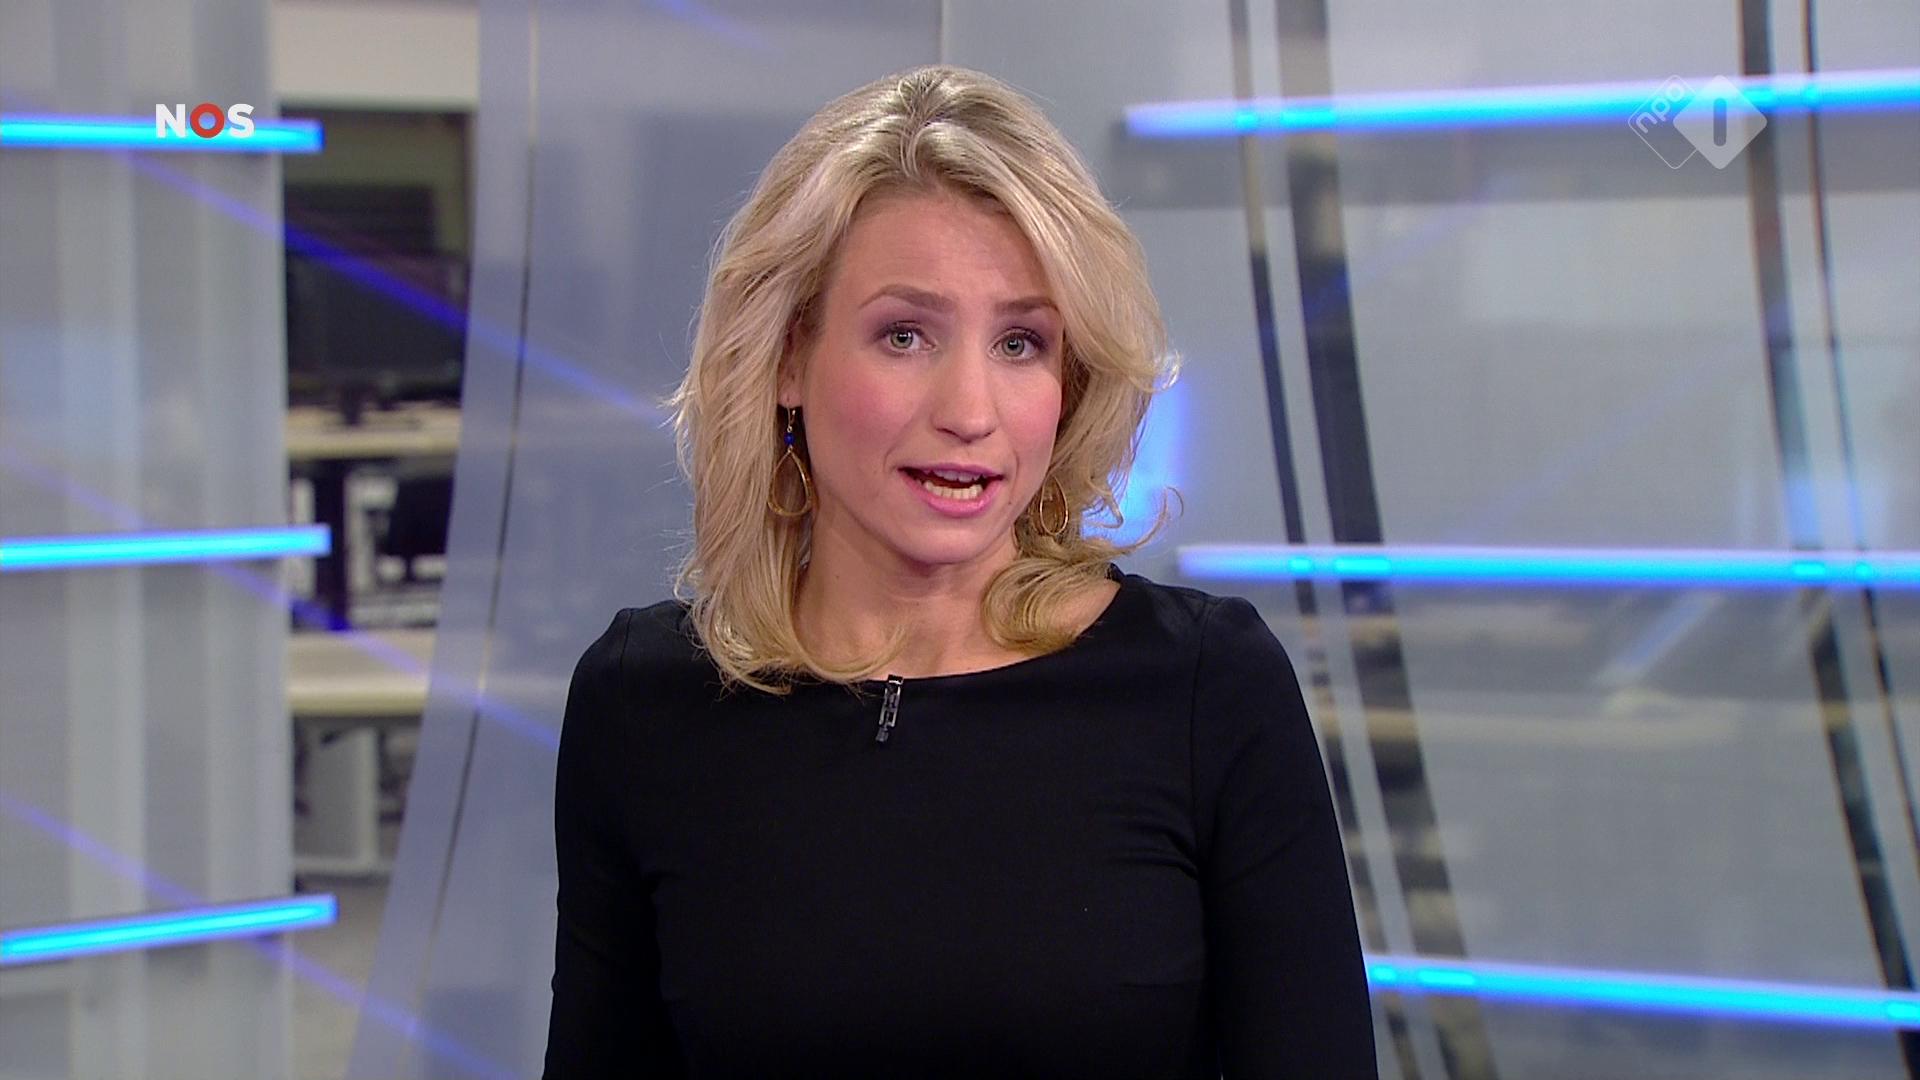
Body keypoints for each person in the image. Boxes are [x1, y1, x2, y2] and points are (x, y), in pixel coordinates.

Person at [542, 64, 1377, 1079]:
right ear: (788, 357)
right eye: (905, 335)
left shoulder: (1207, 689)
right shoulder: (644, 703)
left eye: (1021, 342)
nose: (971, 411)